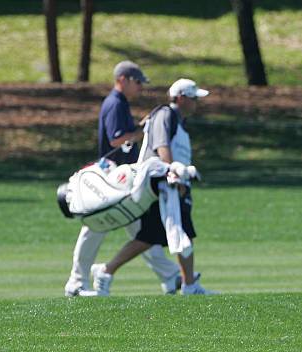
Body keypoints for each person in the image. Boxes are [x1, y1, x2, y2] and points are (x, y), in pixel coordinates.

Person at [64, 61, 181, 297]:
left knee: (140, 230)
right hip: (113, 178)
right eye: (138, 82)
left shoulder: (120, 103)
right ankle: (76, 283)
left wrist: (141, 126)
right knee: (96, 225)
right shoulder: (115, 103)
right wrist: (144, 130)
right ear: (123, 79)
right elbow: (118, 140)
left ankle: (170, 276)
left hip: (120, 178)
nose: (140, 88)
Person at [90, 78, 216, 296]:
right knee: (177, 230)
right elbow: (161, 145)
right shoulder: (165, 114)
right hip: (164, 183)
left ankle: (107, 270)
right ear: (180, 98)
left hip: (169, 182)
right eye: (193, 98)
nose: (196, 102)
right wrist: (173, 175)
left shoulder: (178, 120)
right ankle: (188, 286)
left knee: (150, 237)